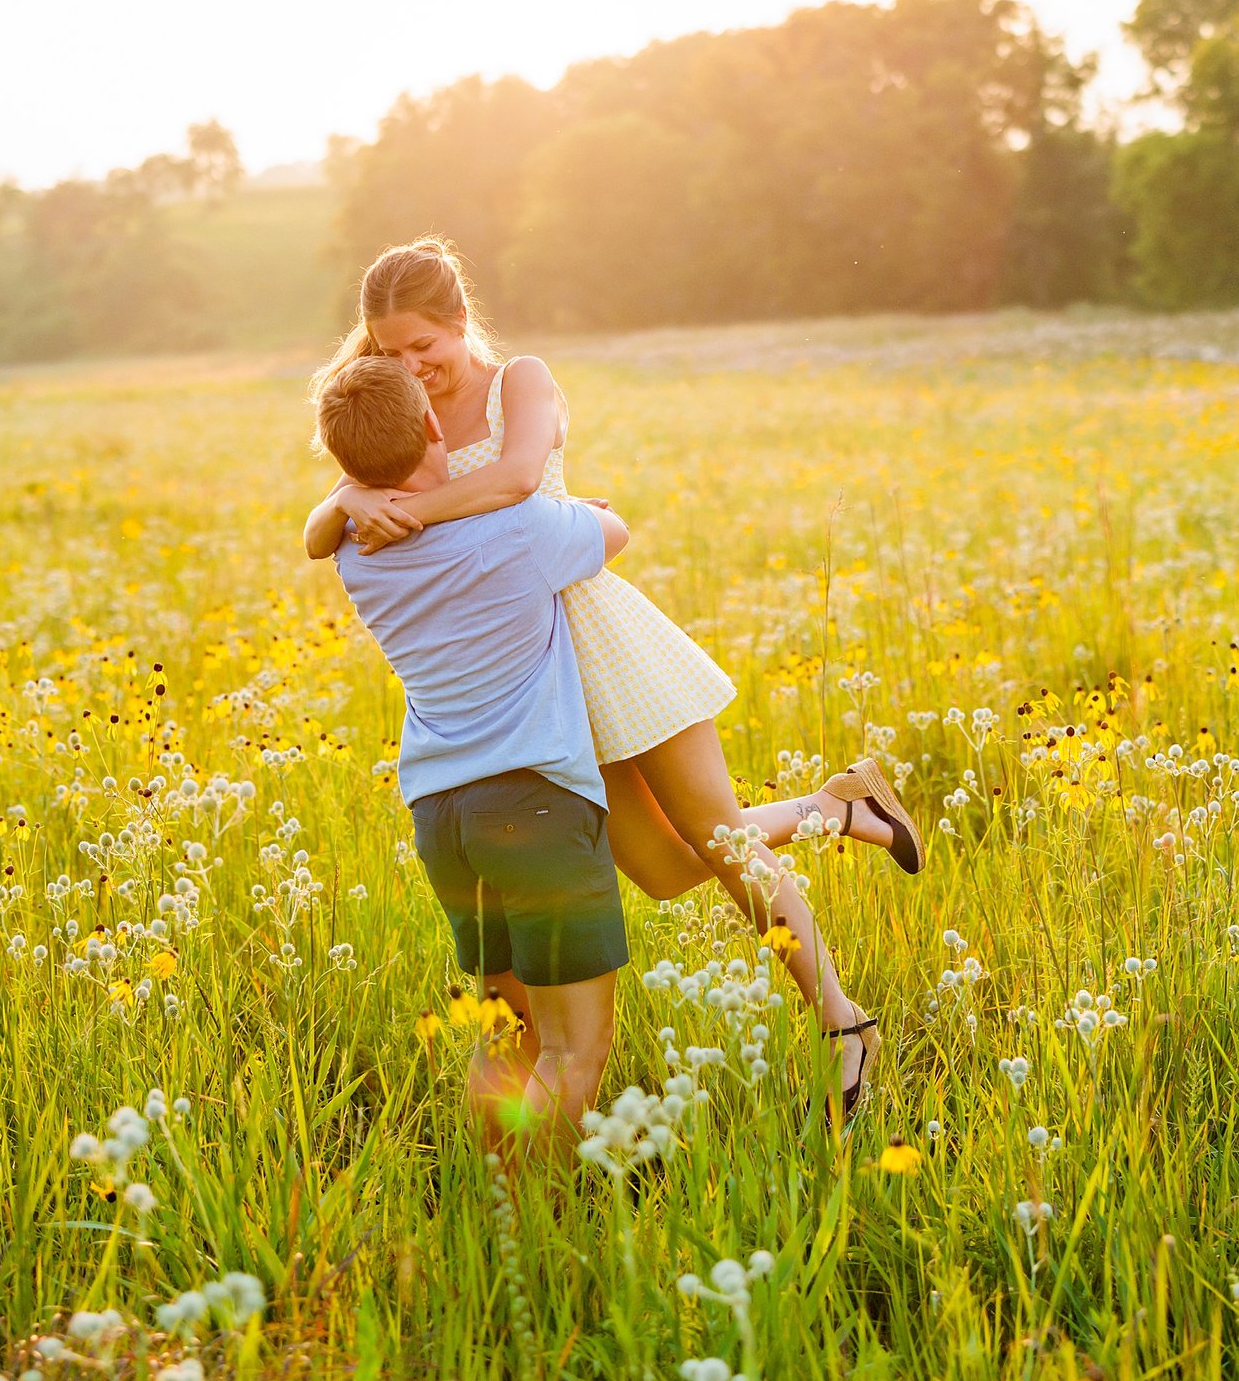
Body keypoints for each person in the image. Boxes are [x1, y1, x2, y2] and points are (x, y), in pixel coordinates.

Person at [305, 239, 920, 1120]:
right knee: (668, 871)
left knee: (720, 840)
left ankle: (842, 1023)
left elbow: (519, 478)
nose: (410, 369)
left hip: (597, 635)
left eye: (422, 348)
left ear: (457, 322)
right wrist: (339, 503)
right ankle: (837, 809)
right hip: (533, 680)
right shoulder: (403, 414)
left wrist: (395, 511)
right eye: (387, 353)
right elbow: (317, 532)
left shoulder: (518, 378)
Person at [317, 354, 631, 1151]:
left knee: (508, 1040)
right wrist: (568, 509)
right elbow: (615, 529)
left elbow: (329, 527)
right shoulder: (520, 530)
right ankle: (531, 1238)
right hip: (538, 803)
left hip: (444, 819)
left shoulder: (357, 555)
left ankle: (494, 1218)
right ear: (432, 427)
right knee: (574, 1050)